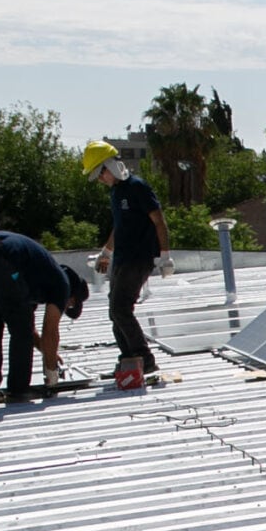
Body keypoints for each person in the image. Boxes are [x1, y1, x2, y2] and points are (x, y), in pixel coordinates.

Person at [81, 139, 171, 385]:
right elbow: (119, 227)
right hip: (122, 257)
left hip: (138, 258)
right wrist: (106, 253)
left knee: (121, 308)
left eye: (100, 174)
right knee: (114, 310)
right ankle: (129, 357)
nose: (100, 180)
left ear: (109, 167)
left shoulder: (137, 187)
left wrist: (165, 255)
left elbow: (159, 221)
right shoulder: (116, 192)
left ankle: (144, 357)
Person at [0, 230, 82, 404]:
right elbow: (49, 330)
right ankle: (18, 390)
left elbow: (32, 330)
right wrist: (51, 370)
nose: (65, 308)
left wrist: (48, 351)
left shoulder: (36, 279)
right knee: (20, 329)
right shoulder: (62, 283)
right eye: (69, 305)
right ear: (72, 295)